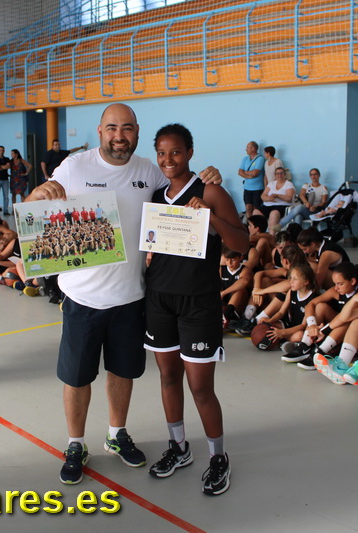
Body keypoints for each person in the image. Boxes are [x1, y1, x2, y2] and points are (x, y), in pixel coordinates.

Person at [24, 103, 222, 485]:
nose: (119, 136)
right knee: (77, 377)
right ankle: (75, 444)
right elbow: (34, 213)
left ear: (136, 132)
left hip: (131, 297)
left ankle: (117, 434)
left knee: (122, 372)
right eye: (112, 128)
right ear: (100, 131)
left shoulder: (148, 170)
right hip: (82, 299)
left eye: (127, 128)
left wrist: (209, 176)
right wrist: (37, 194)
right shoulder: (74, 167)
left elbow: (183, 184)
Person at [143, 123, 248, 496]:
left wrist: (210, 217)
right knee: (168, 378)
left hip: (198, 302)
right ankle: (179, 447)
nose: (168, 159)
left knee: (201, 387)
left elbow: (242, 243)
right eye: (161, 153)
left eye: (175, 151)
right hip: (159, 299)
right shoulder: (155, 194)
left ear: (189, 152)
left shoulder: (210, 190)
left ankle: (218, 457)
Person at [281, 262, 358, 369]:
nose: (336, 288)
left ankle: (320, 352)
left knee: (347, 321)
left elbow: (343, 317)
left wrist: (323, 331)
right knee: (321, 306)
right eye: (335, 283)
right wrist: (312, 325)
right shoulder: (336, 291)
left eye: (340, 284)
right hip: (337, 332)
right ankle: (305, 346)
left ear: (352, 281)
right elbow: (310, 304)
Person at [259, 166, 295, 231]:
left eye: (281, 173)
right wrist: (269, 198)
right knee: (256, 212)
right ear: (275, 175)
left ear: (284, 175)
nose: (279, 175)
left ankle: (271, 235)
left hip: (281, 206)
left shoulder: (289, 184)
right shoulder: (271, 184)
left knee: (274, 213)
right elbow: (263, 196)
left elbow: (289, 198)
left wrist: (278, 196)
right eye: (277, 174)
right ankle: (258, 234)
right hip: (268, 205)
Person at [238, 141, 265, 220]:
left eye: (248, 147)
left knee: (256, 209)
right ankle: (249, 224)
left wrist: (245, 172)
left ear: (253, 149)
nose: (246, 149)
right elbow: (239, 172)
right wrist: (249, 175)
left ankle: (256, 224)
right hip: (247, 188)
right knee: (248, 208)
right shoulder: (245, 159)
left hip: (257, 189)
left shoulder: (260, 159)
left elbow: (255, 173)